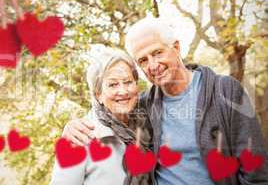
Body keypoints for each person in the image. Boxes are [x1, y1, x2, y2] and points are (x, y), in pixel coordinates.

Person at [63, 17, 268, 184]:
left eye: (158, 52)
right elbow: (109, 112)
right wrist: (72, 126)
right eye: (143, 60)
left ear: (176, 48)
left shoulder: (225, 91)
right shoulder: (143, 105)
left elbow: (256, 172)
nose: (153, 65)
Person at [50, 48, 153, 185]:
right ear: (98, 94)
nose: (122, 91)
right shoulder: (79, 138)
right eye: (113, 84)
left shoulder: (147, 128)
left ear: (136, 86)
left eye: (128, 82)